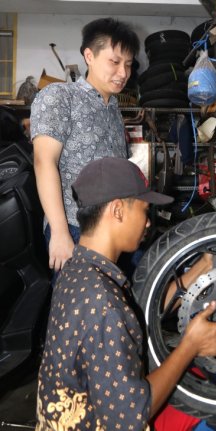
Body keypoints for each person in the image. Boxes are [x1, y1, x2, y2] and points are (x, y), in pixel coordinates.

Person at [35, 157, 216, 431]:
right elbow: (129, 419)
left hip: (70, 415)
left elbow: (135, 312)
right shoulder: (102, 302)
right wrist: (190, 346)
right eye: (144, 209)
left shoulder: (79, 270)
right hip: (105, 422)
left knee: (194, 376)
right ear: (117, 211)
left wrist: (202, 267)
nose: (148, 222)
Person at [30, 17, 140, 272]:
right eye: (114, 62)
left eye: (128, 64)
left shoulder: (113, 110)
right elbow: (44, 162)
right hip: (74, 229)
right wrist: (59, 233)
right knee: (78, 307)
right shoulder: (59, 96)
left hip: (111, 232)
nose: (123, 73)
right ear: (89, 55)